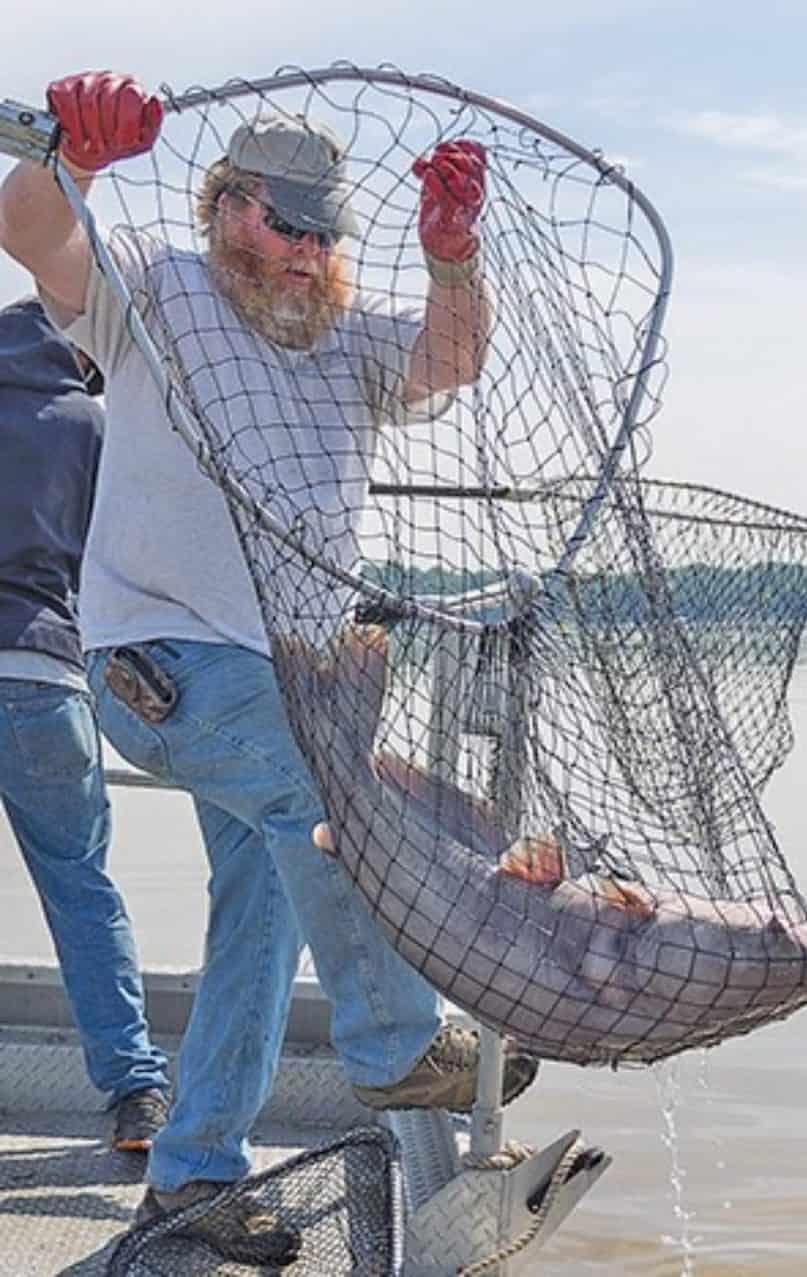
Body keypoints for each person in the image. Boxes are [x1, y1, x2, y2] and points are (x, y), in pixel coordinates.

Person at [0, 70, 537, 1236]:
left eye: (322, 231)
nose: (301, 251)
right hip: (165, 664)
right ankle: (397, 1043)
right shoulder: (153, 285)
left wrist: (452, 255)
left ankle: (193, 1172)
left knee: (263, 911)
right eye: (280, 223)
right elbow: (31, 230)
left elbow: (451, 361)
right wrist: (76, 160)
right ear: (223, 204)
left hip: (291, 670)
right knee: (324, 789)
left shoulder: (344, 332)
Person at [0, 295, 171, 1151]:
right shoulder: (90, 424)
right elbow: (118, 560)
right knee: (80, 887)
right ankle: (136, 1092)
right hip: (39, 673)